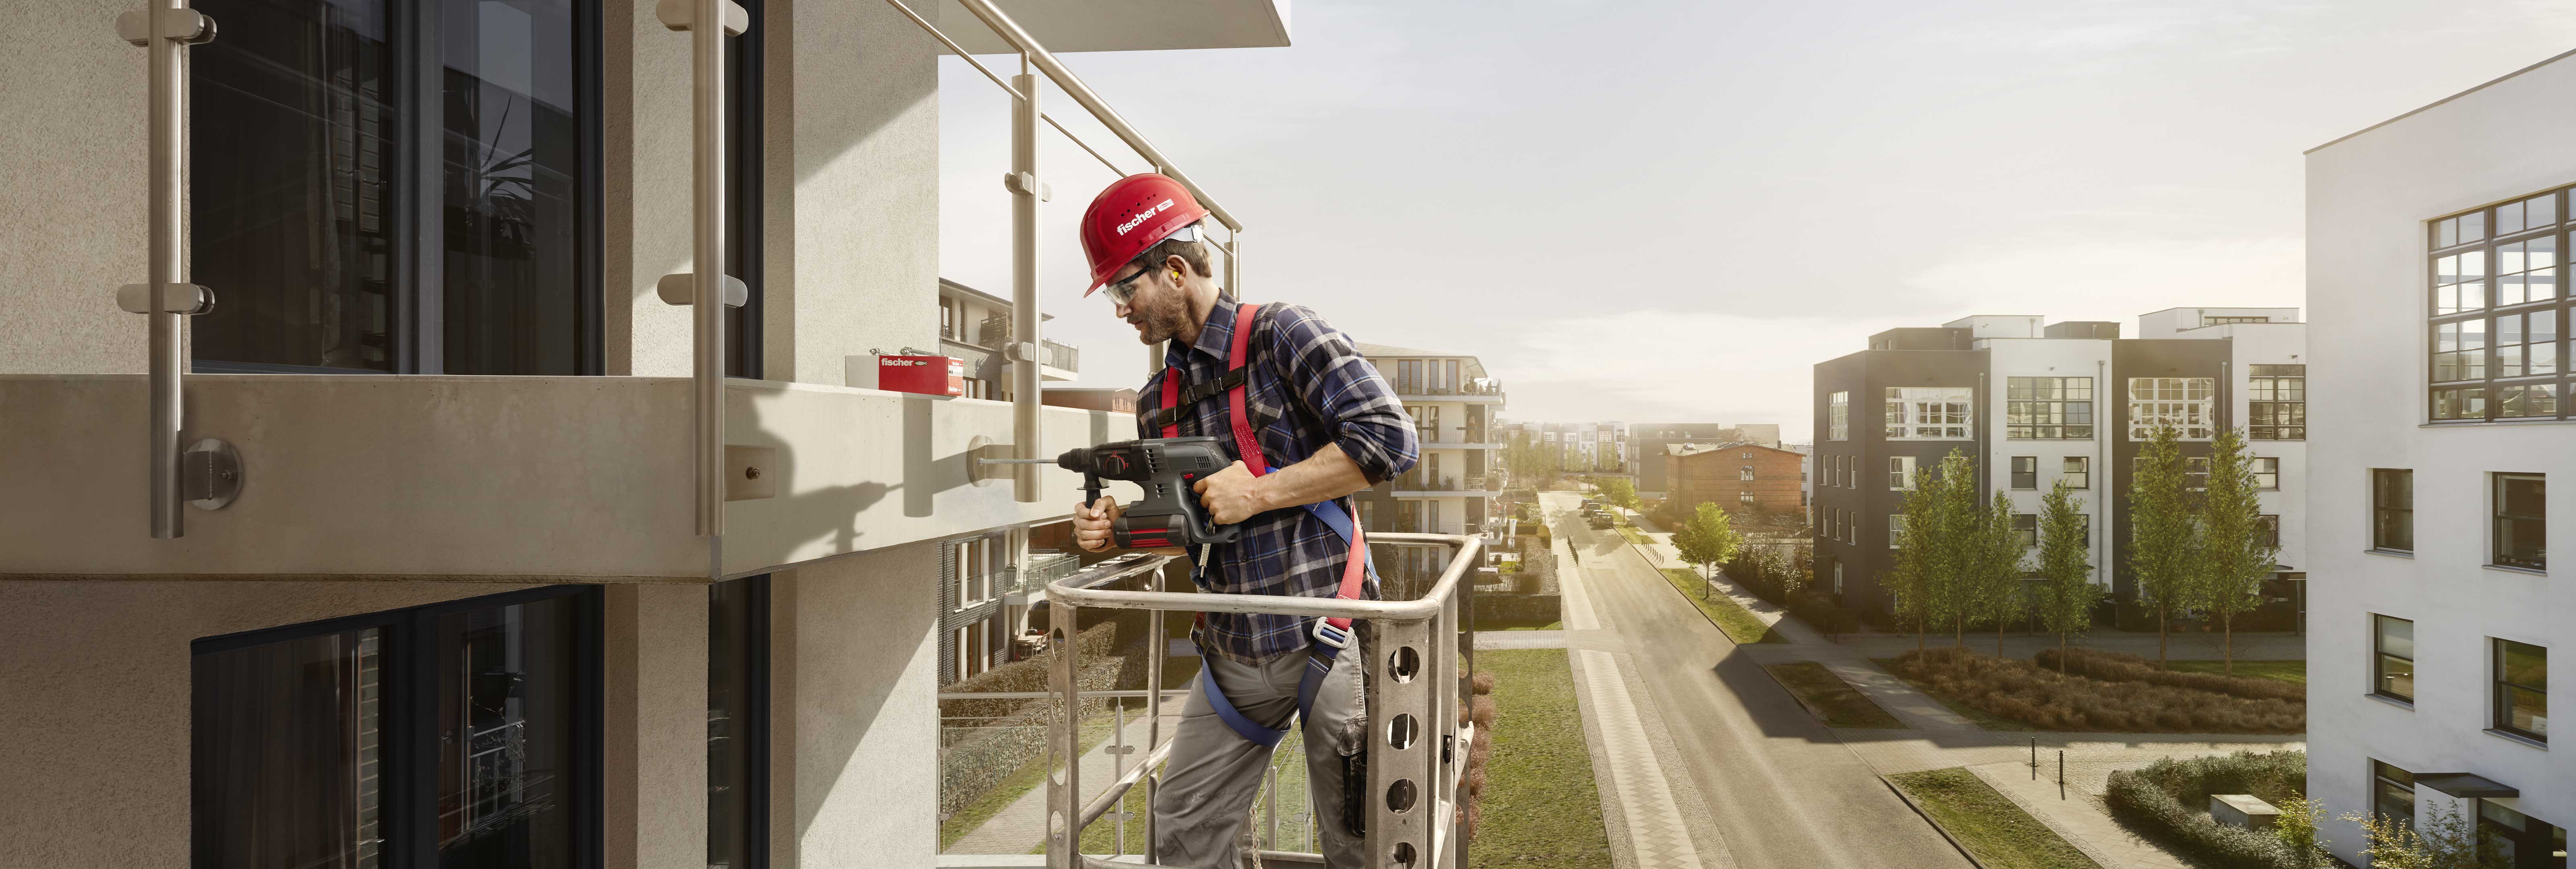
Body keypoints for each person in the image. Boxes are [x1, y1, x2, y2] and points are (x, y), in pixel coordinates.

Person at [1069, 174, 1418, 868]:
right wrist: (1116, 528)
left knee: (1356, 842)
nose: (1119, 310)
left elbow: (1390, 439)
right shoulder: (1155, 398)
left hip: (1326, 634)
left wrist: (1258, 493)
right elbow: (1184, 524)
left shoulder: (1282, 334)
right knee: (1183, 831)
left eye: (1121, 290)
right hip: (1231, 652)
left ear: (1174, 269)